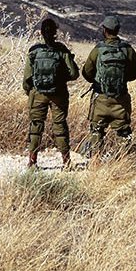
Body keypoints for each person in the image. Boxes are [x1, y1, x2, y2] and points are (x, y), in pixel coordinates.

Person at [81, 13, 136, 160]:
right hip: (121, 99)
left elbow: (86, 72)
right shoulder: (127, 50)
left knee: (96, 132)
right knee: (123, 133)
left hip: (100, 99)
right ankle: (124, 164)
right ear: (118, 30)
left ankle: (95, 164)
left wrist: (99, 81)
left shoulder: (98, 49)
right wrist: (122, 80)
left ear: (104, 30)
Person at [22, 15, 80, 168]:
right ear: (55, 32)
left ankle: (32, 162)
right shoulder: (61, 50)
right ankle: (66, 162)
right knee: (60, 126)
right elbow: (74, 74)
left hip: (37, 93)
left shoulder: (34, 51)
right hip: (59, 94)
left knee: (36, 127)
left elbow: (27, 78)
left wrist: (31, 92)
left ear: (41, 33)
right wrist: (61, 78)